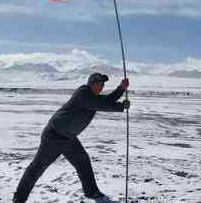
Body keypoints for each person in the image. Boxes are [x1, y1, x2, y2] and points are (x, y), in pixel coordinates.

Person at [13, 73, 130, 203]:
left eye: (103, 85)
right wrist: (121, 106)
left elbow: (107, 100)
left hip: (69, 138)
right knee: (37, 167)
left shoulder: (93, 96)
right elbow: (101, 105)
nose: (101, 87)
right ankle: (19, 198)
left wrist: (121, 88)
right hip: (54, 136)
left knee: (83, 162)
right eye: (99, 84)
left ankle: (91, 192)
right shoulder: (83, 93)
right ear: (91, 83)